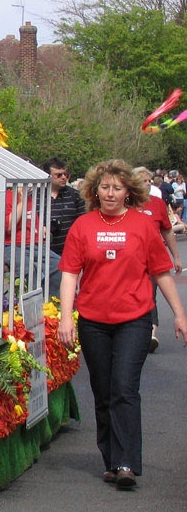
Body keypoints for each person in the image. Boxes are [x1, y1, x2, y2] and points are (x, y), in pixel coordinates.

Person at [57, 159, 187, 490]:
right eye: (105, 187)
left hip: (134, 320)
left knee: (124, 388)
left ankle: (127, 462)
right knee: (103, 391)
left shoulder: (142, 226)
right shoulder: (83, 226)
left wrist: (179, 314)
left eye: (117, 188)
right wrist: (65, 318)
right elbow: (70, 273)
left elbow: (161, 272)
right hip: (94, 322)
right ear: (95, 190)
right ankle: (112, 461)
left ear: (128, 191)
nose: (111, 193)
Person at [132, 166, 182, 354]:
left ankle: (151, 334)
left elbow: (167, 231)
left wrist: (176, 257)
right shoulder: (125, 203)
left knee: (149, 293)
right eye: (143, 181)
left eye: (149, 181)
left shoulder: (157, 204)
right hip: (129, 259)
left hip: (152, 259)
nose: (148, 184)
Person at [42, 157, 85, 256]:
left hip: (70, 252)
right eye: (59, 175)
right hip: (42, 252)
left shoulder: (76, 196)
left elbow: (84, 223)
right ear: (48, 176)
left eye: (66, 174)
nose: (63, 177)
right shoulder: (35, 196)